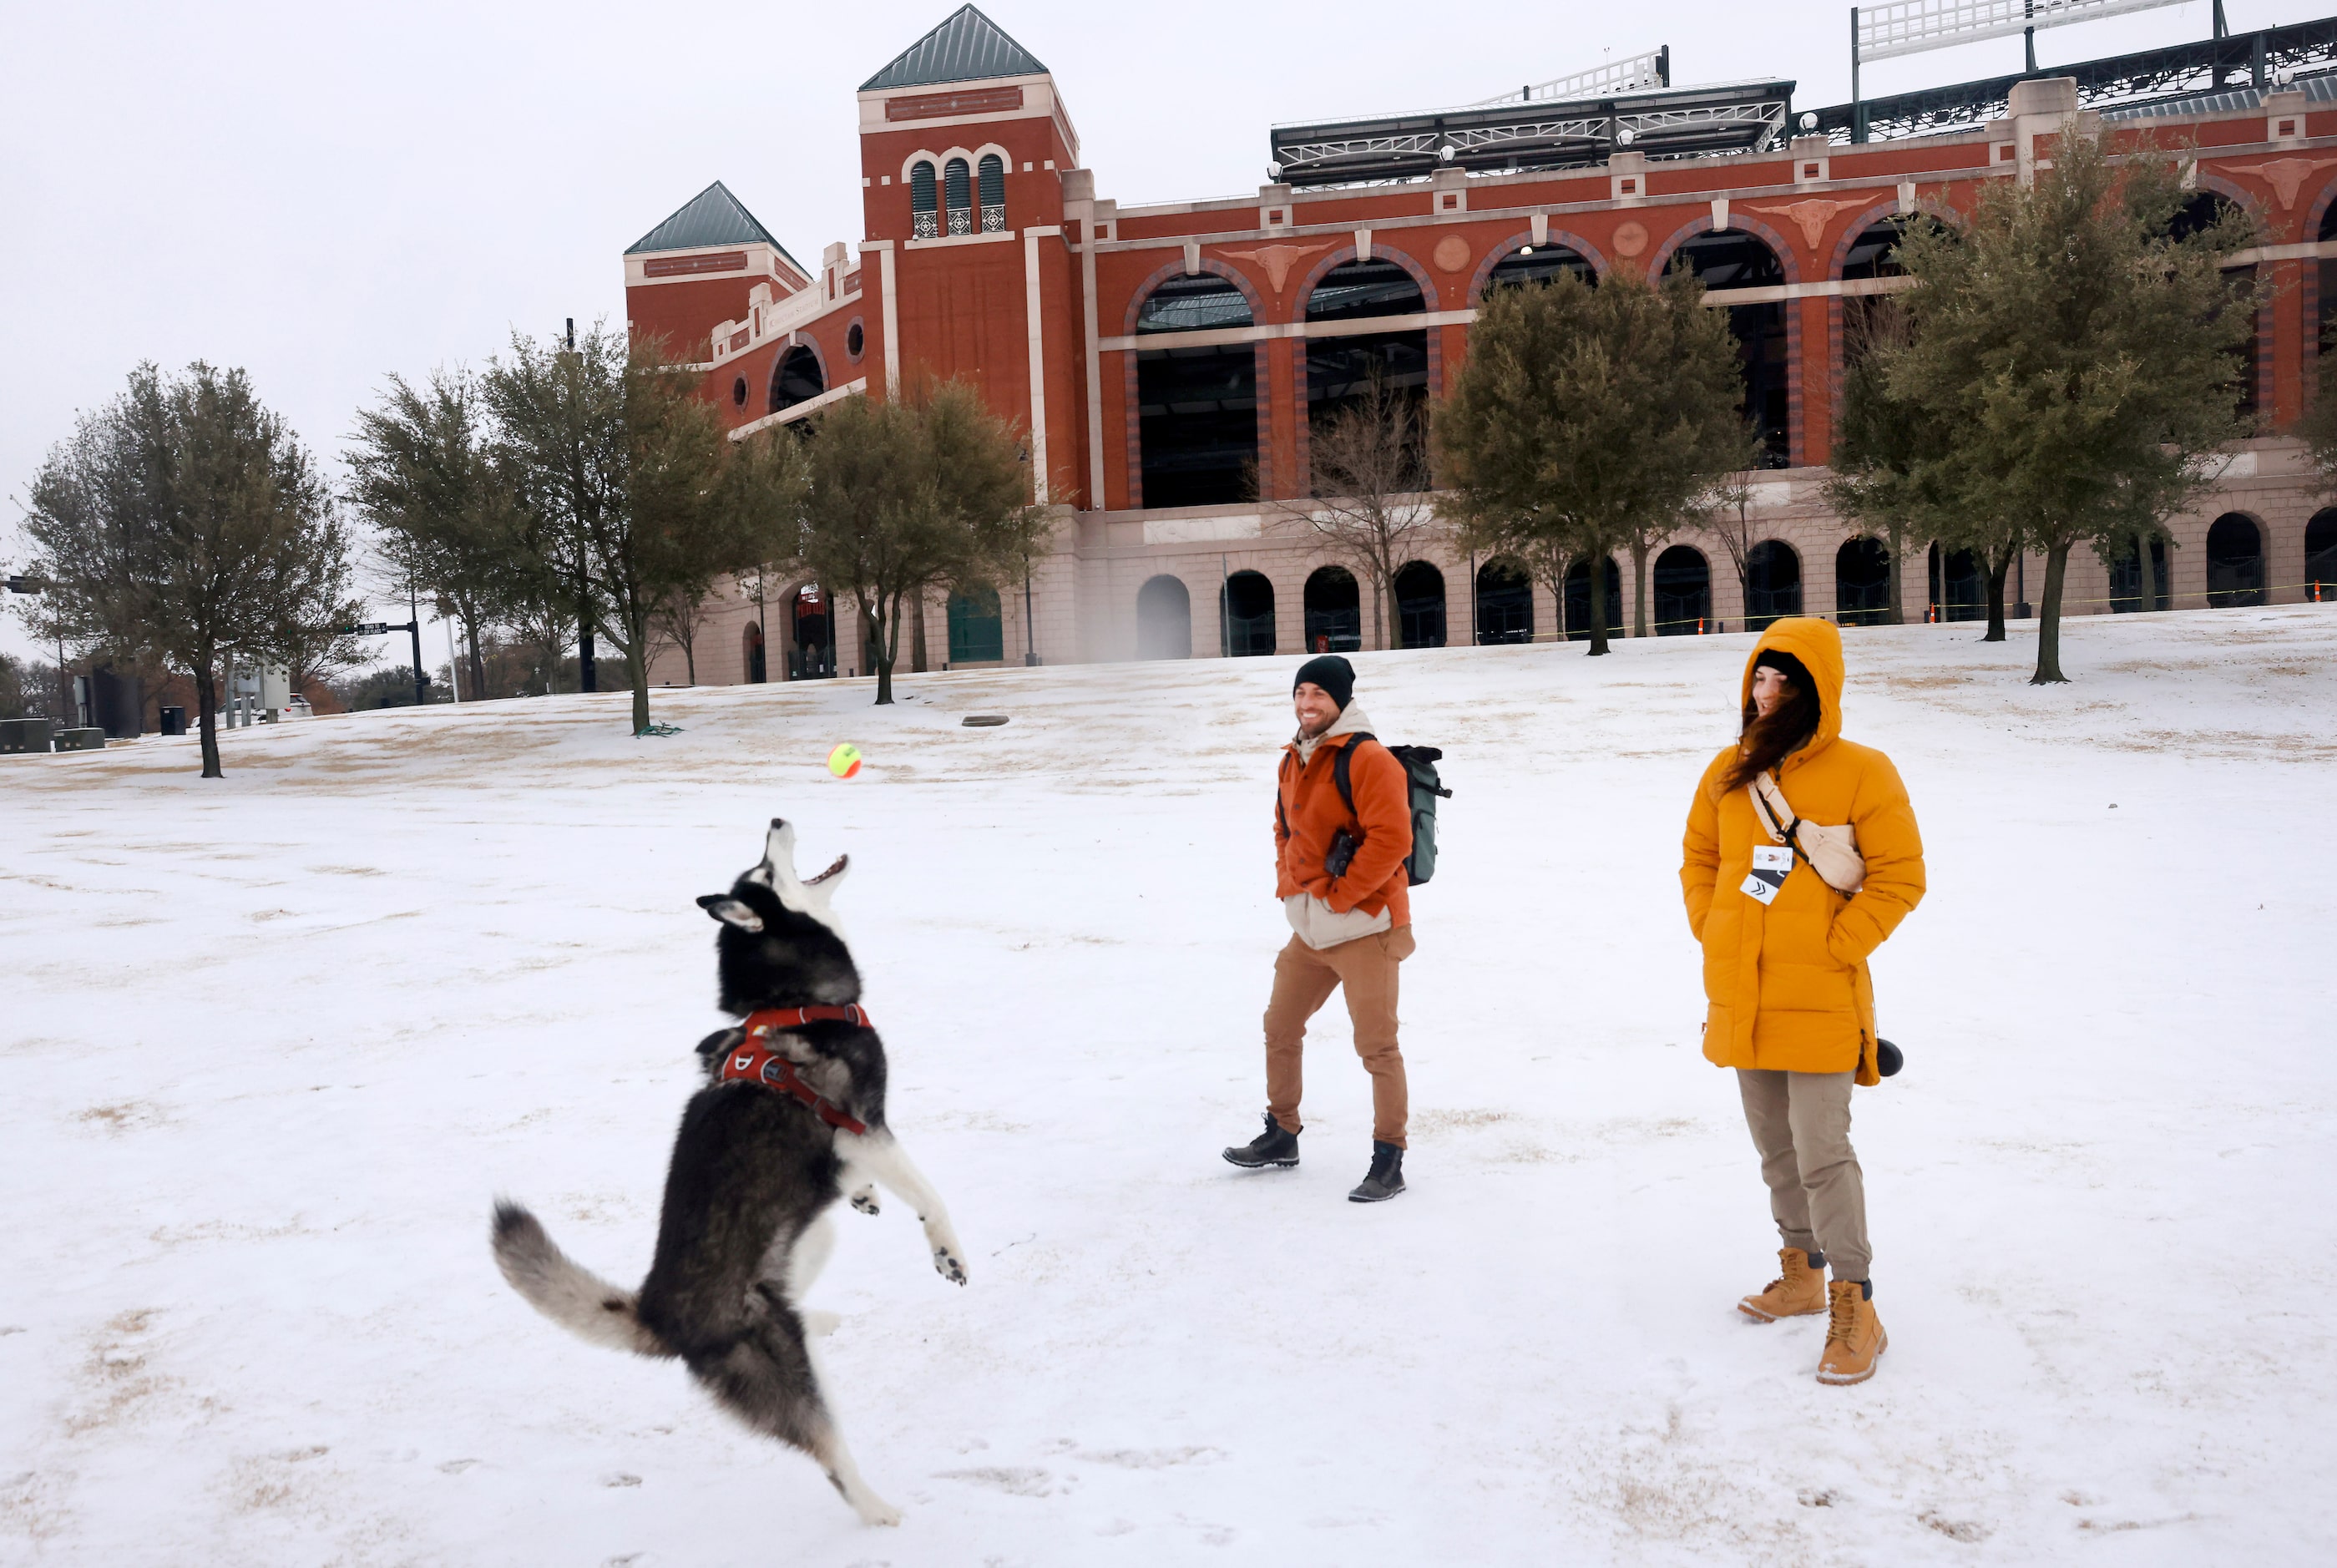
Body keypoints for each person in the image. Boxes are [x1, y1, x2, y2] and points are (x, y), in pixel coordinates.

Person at [1680, 618, 1925, 1385]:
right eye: (1758, 676)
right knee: (1775, 1151)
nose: (1766, 692)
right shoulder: (1728, 770)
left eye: (1783, 680)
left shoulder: (1863, 771)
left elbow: (1899, 879)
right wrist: (1714, 927)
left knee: (1823, 1153)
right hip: (1741, 992)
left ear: (1817, 689)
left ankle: (1857, 1303)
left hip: (1819, 995)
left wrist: (1834, 947)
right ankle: (1802, 1273)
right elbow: (1699, 858)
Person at [1222, 654, 1416, 1202]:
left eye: (1318, 695)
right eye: (1300, 693)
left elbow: (1392, 841)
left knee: (1376, 1046)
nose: (1307, 704)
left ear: (1341, 701)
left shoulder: (1369, 759)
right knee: (1279, 1026)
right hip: (1309, 932)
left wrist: (1339, 895)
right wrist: (1291, 886)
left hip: (1364, 930)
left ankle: (1388, 1159)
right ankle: (1282, 1135)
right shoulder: (1293, 756)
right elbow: (1283, 829)